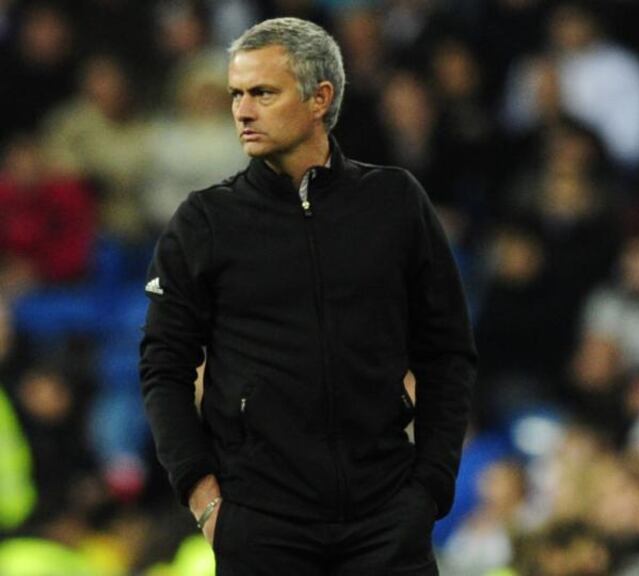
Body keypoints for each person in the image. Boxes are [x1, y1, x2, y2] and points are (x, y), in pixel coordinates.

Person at [139, 17, 476, 575]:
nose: (242, 110)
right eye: (236, 94)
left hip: (387, 522)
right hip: (261, 526)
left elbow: (447, 353)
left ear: (321, 98)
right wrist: (205, 501)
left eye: (262, 93)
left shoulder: (394, 202)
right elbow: (162, 366)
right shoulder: (204, 221)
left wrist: (429, 487)